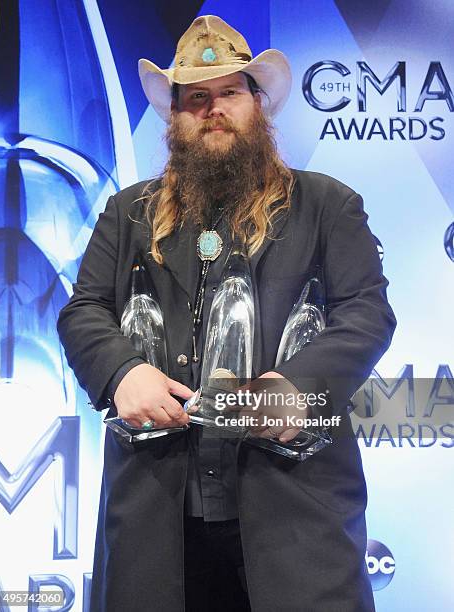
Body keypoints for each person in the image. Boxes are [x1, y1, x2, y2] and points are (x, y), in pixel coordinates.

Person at [57, 15, 396, 612]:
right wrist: (120, 373)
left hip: (295, 522)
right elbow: (83, 311)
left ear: (257, 105)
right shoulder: (126, 213)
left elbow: (367, 313)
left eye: (230, 92)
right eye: (196, 97)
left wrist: (301, 389)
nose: (214, 109)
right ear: (176, 117)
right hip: (157, 525)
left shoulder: (327, 204)